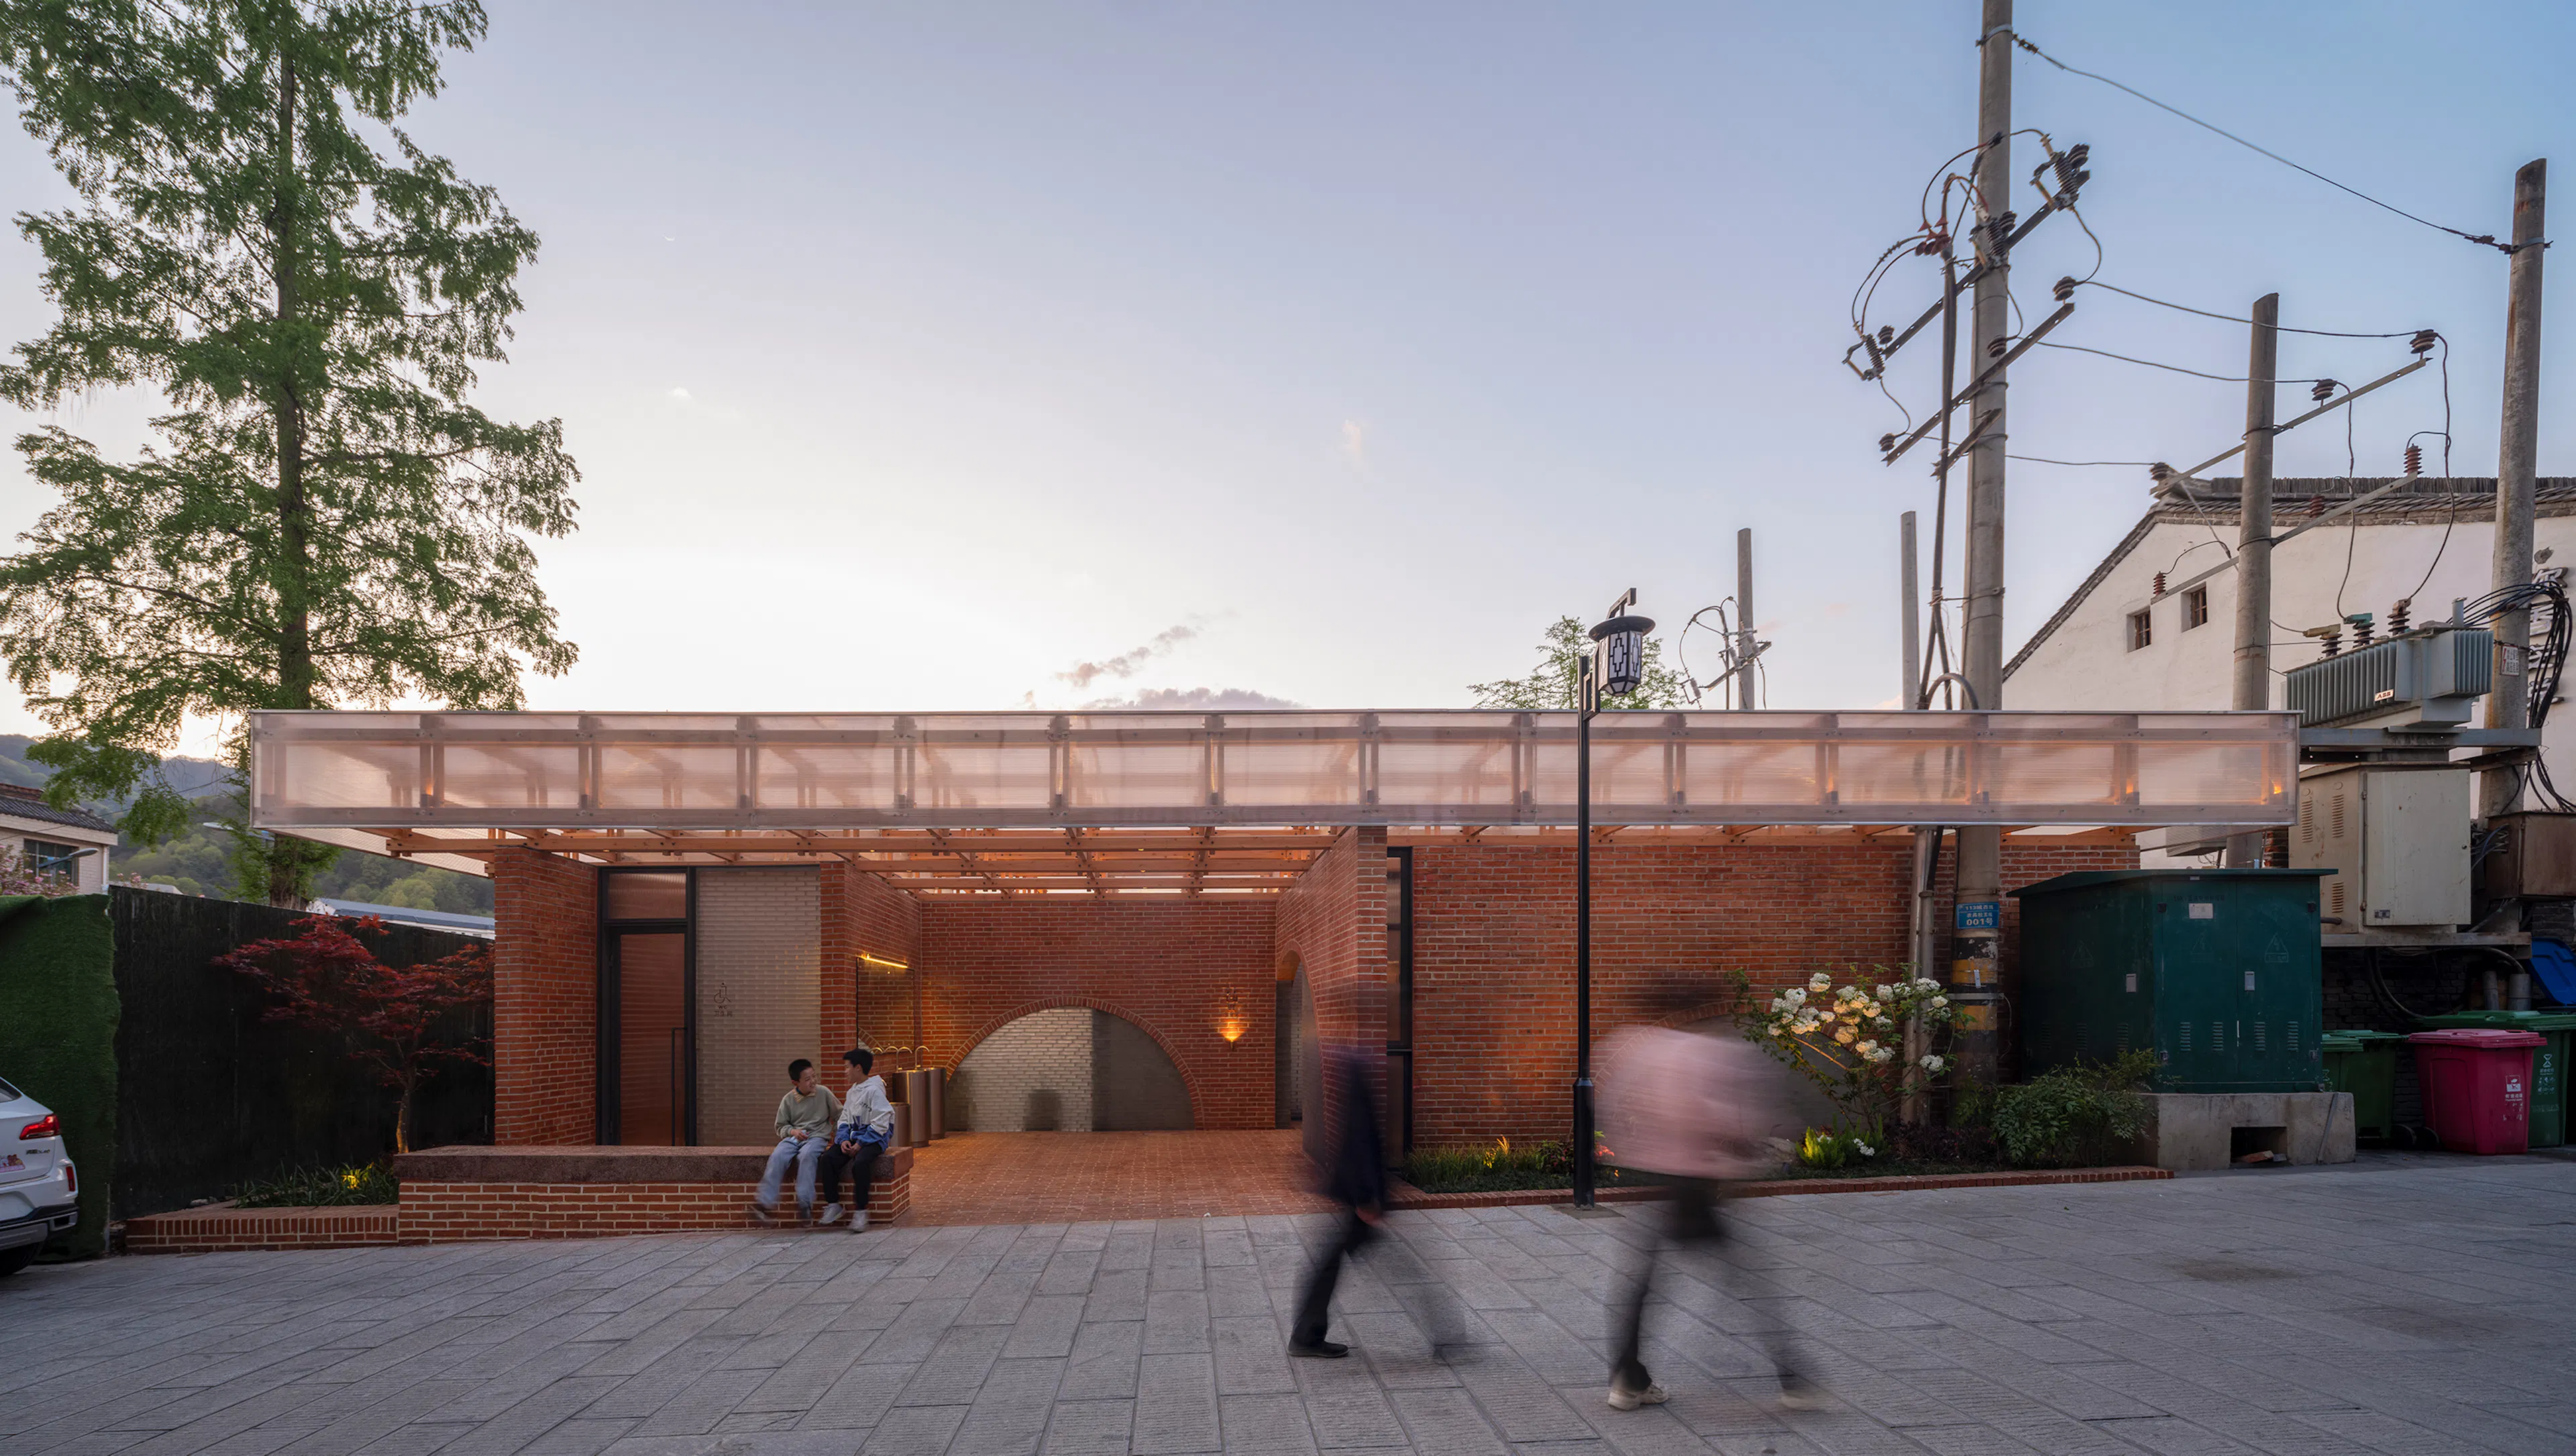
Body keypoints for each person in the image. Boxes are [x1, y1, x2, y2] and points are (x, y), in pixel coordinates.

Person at [1596, 1024, 1821, 1412]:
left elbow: (1611, 1103)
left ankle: (1628, 1379)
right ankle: (1794, 1378)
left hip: (1657, 1178)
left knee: (1641, 1284)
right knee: (1747, 1279)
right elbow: (1710, 1114)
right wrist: (1746, 1153)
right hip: (1694, 1182)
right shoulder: (1704, 1050)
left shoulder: (1634, 1046)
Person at [1290, 1048, 1463, 1361]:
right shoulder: (1361, 1097)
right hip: (1362, 1202)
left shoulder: (1357, 1093)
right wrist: (1367, 1198)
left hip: (1358, 1199)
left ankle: (1306, 1335)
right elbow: (1360, 1146)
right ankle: (1447, 1335)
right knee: (1404, 1269)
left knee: (1332, 1265)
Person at [816, 1046, 896, 1231]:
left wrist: (861, 1143)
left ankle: (861, 1212)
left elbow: (882, 1122)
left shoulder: (875, 1090)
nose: (845, 1072)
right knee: (828, 1159)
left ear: (858, 1068)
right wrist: (843, 1139)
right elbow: (845, 1118)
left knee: (861, 1163)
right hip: (854, 1136)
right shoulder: (852, 1092)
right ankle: (834, 1204)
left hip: (874, 1138)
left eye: (847, 1067)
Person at [754, 1058, 841, 1225]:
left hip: (816, 1137)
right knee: (777, 1156)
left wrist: (838, 1137)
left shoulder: (824, 1093)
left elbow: (839, 1115)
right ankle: (764, 1203)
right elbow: (780, 1126)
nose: (813, 1082)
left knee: (807, 1156)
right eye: (807, 1079)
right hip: (793, 1138)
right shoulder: (788, 1100)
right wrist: (792, 1131)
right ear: (795, 1082)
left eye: (814, 1077)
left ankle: (805, 1203)